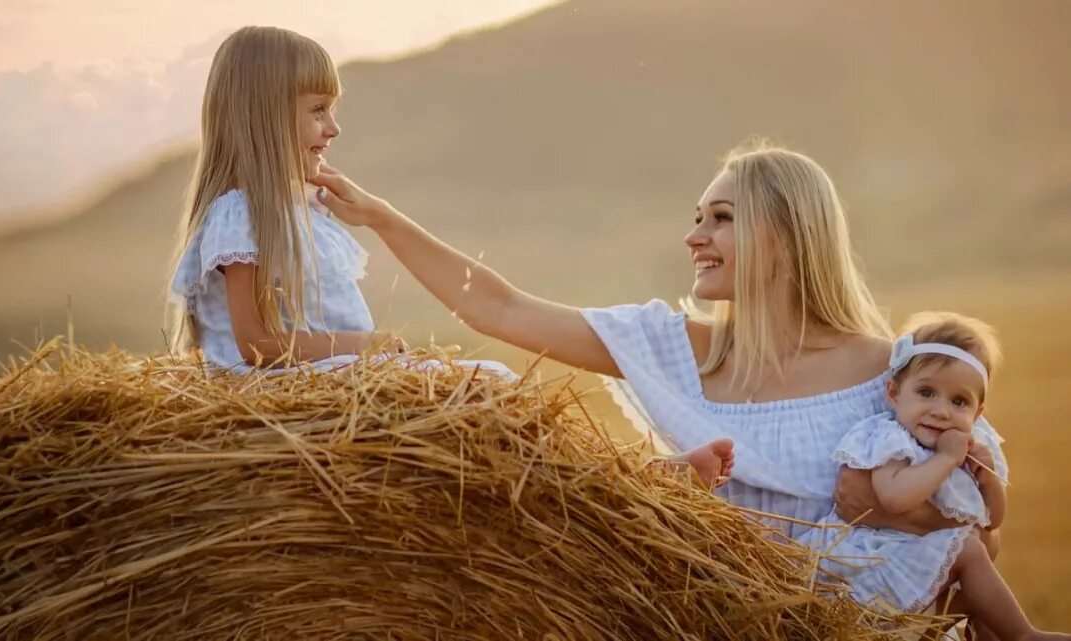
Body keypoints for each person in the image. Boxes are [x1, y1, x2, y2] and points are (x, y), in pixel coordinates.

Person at [309, 143, 1007, 604]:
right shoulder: (667, 346)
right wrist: (380, 217)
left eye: (722, 218)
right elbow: (497, 305)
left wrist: (894, 507)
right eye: (696, 215)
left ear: (785, 235)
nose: (693, 235)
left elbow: (979, 534)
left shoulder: (894, 375)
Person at [164, 26, 510, 379]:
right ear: (265, 117)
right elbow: (257, 345)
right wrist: (367, 344)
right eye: (318, 111)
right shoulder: (240, 214)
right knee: (490, 379)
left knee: (488, 376)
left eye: (332, 110)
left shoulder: (302, 211)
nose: (334, 128)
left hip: (329, 375)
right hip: (293, 382)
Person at [807, 312, 1066, 640]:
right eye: (926, 392)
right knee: (969, 552)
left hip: (918, 553)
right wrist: (946, 459)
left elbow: (991, 520)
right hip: (872, 559)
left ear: (978, 413)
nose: (941, 411)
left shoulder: (970, 448)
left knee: (975, 564)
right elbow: (893, 497)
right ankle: (1021, 634)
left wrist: (986, 479)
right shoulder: (889, 437)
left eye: (959, 401)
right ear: (893, 393)